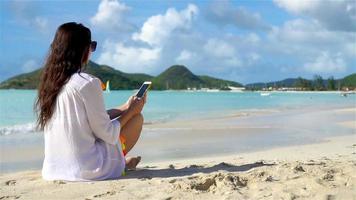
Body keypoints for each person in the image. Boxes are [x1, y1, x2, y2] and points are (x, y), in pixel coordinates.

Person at [35, 22, 144, 181]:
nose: (92, 51)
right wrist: (132, 112)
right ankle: (120, 163)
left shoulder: (50, 85)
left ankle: (122, 162)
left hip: (53, 170)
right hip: (87, 170)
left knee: (128, 116)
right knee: (136, 119)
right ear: (82, 49)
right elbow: (107, 133)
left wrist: (125, 107)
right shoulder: (87, 82)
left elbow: (83, 120)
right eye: (91, 45)